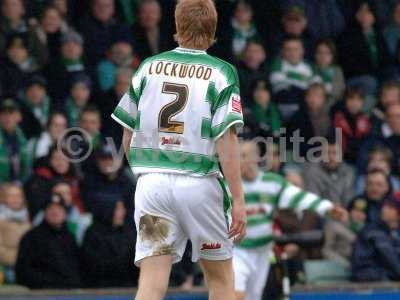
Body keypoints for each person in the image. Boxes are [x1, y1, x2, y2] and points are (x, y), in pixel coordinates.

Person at [111, 1, 246, 299]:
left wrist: (144, 171)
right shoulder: (221, 72)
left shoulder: (149, 67)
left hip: (153, 185)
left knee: (151, 282)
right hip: (199, 186)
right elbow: (226, 140)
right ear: (213, 29)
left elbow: (126, 131)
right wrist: (238, 199)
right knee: (222, 281)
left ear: (176, 26)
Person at [234, 141, 347, 300]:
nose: (237, 160)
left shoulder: (273, 183)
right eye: (235, 156)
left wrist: (327, 208)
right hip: (237, 251)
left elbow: (300, 198)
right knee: (234, 295)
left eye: (243, 156)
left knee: (253, 296)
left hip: (263, 251)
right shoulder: (229, 185)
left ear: (256, 158)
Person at [15, 193, 81, 288]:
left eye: (59, 208)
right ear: (44, 212)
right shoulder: (31, 237)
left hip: (72, 292)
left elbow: (79, 267)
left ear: (65, 213)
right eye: (51, 208)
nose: (55, 212)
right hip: (44, 292)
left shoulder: (70, 237)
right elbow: (23, 272)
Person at [81, 200, 138, 287]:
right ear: (108, 210)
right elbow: (94, 267)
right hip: (100, 289)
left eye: (122, 208)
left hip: (128, 288)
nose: (123, 212)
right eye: (118, 209)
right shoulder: (92, 235)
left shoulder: (127, 233)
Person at [351, 194, 400, 282]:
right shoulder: (373, 230)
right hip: (367, 275)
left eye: (390, 207)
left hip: (387, 274)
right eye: (385, 205)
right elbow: (390, 257)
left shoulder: (395, 232)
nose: (384, 209)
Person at [270, 36, 319, 121]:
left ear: (302, 50)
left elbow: (317, 86)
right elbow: (280, 86)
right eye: (288, 49)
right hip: (285, 104)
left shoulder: (310, 67)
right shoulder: (277, 65)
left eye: (296, 49)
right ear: (283, 51)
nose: (292, 53)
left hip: (307, 104)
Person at [303, 139, 355, 206]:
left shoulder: (349, 172)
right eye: (327, 153)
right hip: (320, 211)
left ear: (342, 154)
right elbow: (313, 199)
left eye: (335, 153)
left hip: (343, 212)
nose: (330, 157)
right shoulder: (312, 171)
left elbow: (349, 198)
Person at [322, 197, 367, 267]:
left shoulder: (369, 229)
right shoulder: (334, 225)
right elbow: (327, 250)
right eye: (355, 210)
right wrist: (347, 265)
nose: (358, 214)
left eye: (362, 212)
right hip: (341, 266)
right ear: (348, 211)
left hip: (364, 266)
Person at [332, 87, 372, 163]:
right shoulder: (336, 118)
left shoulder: (365, 121)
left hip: (360, 160)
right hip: (341, 160)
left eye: (359, 100)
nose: (354, 103)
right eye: (351, 99)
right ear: (345, 100)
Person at [0, 183, 30, 282]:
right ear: (4, 198)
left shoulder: (28, 218)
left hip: (27, 264)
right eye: (11, 196)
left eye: (18, 196)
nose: (15, 199)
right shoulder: (1, 220)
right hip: (7, 266)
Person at [0, 99, 30, 183]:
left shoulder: (22, 138)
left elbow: (27, 168)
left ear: (19, 117)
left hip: (17, 186)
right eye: (4, 114)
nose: (7, 117)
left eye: (11, 113)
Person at [313, 39, 345, 103]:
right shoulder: (310, 69)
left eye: (327, 53)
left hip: (332, 104)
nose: (323, 56)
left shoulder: (337, 70)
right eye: (320, 52)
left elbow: (337, 92)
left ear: (332, 56)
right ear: (315, 54)